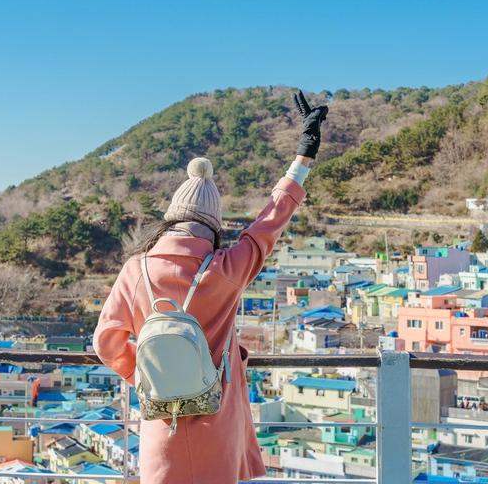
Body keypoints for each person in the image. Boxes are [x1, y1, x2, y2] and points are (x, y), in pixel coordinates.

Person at [93, 90, 328, 484]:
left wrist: (148, 375)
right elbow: (270, 222)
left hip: (161, 425)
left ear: (171, 221)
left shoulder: (136, 271)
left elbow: (106, 343)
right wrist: (304, 152)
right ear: (213, 228)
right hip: (216, 425)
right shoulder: (227, 269)